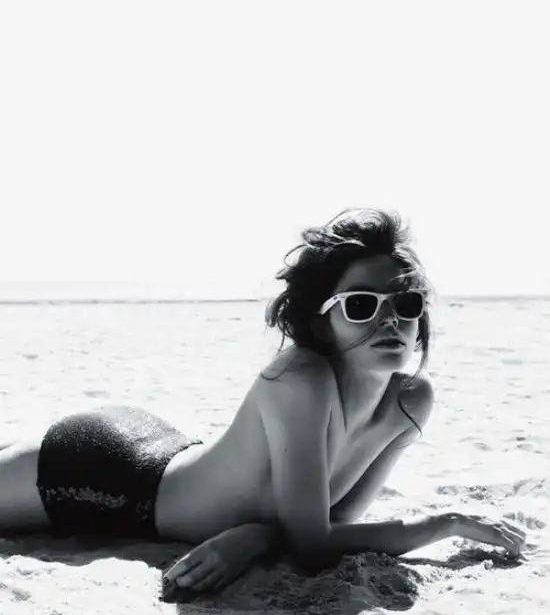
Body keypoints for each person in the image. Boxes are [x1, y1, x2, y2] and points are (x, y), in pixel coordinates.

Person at [0, 208, 526, 595]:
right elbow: (313, 544)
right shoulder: (300, 379)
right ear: (321, 318)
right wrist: (443, 523)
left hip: (162, 446)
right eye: (362, 304)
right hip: (110, 477)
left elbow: (336, 523)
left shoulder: (410, 401)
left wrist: (256, 537)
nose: (390, 321)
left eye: (406, 303)